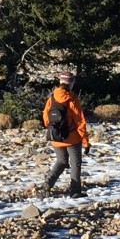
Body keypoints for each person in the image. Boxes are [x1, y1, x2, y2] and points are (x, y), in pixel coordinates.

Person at [38, 70, 90, 198]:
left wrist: (54, 130)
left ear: (60, 82)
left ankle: (47, 185)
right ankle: (75, 191)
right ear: (71, 83)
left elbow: (45, 118)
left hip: (55, 137)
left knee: (61, 161)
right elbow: (80, 122)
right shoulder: (73, 100)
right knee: (76, 164)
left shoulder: (52, 97)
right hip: (72, 138)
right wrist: (85, 142)